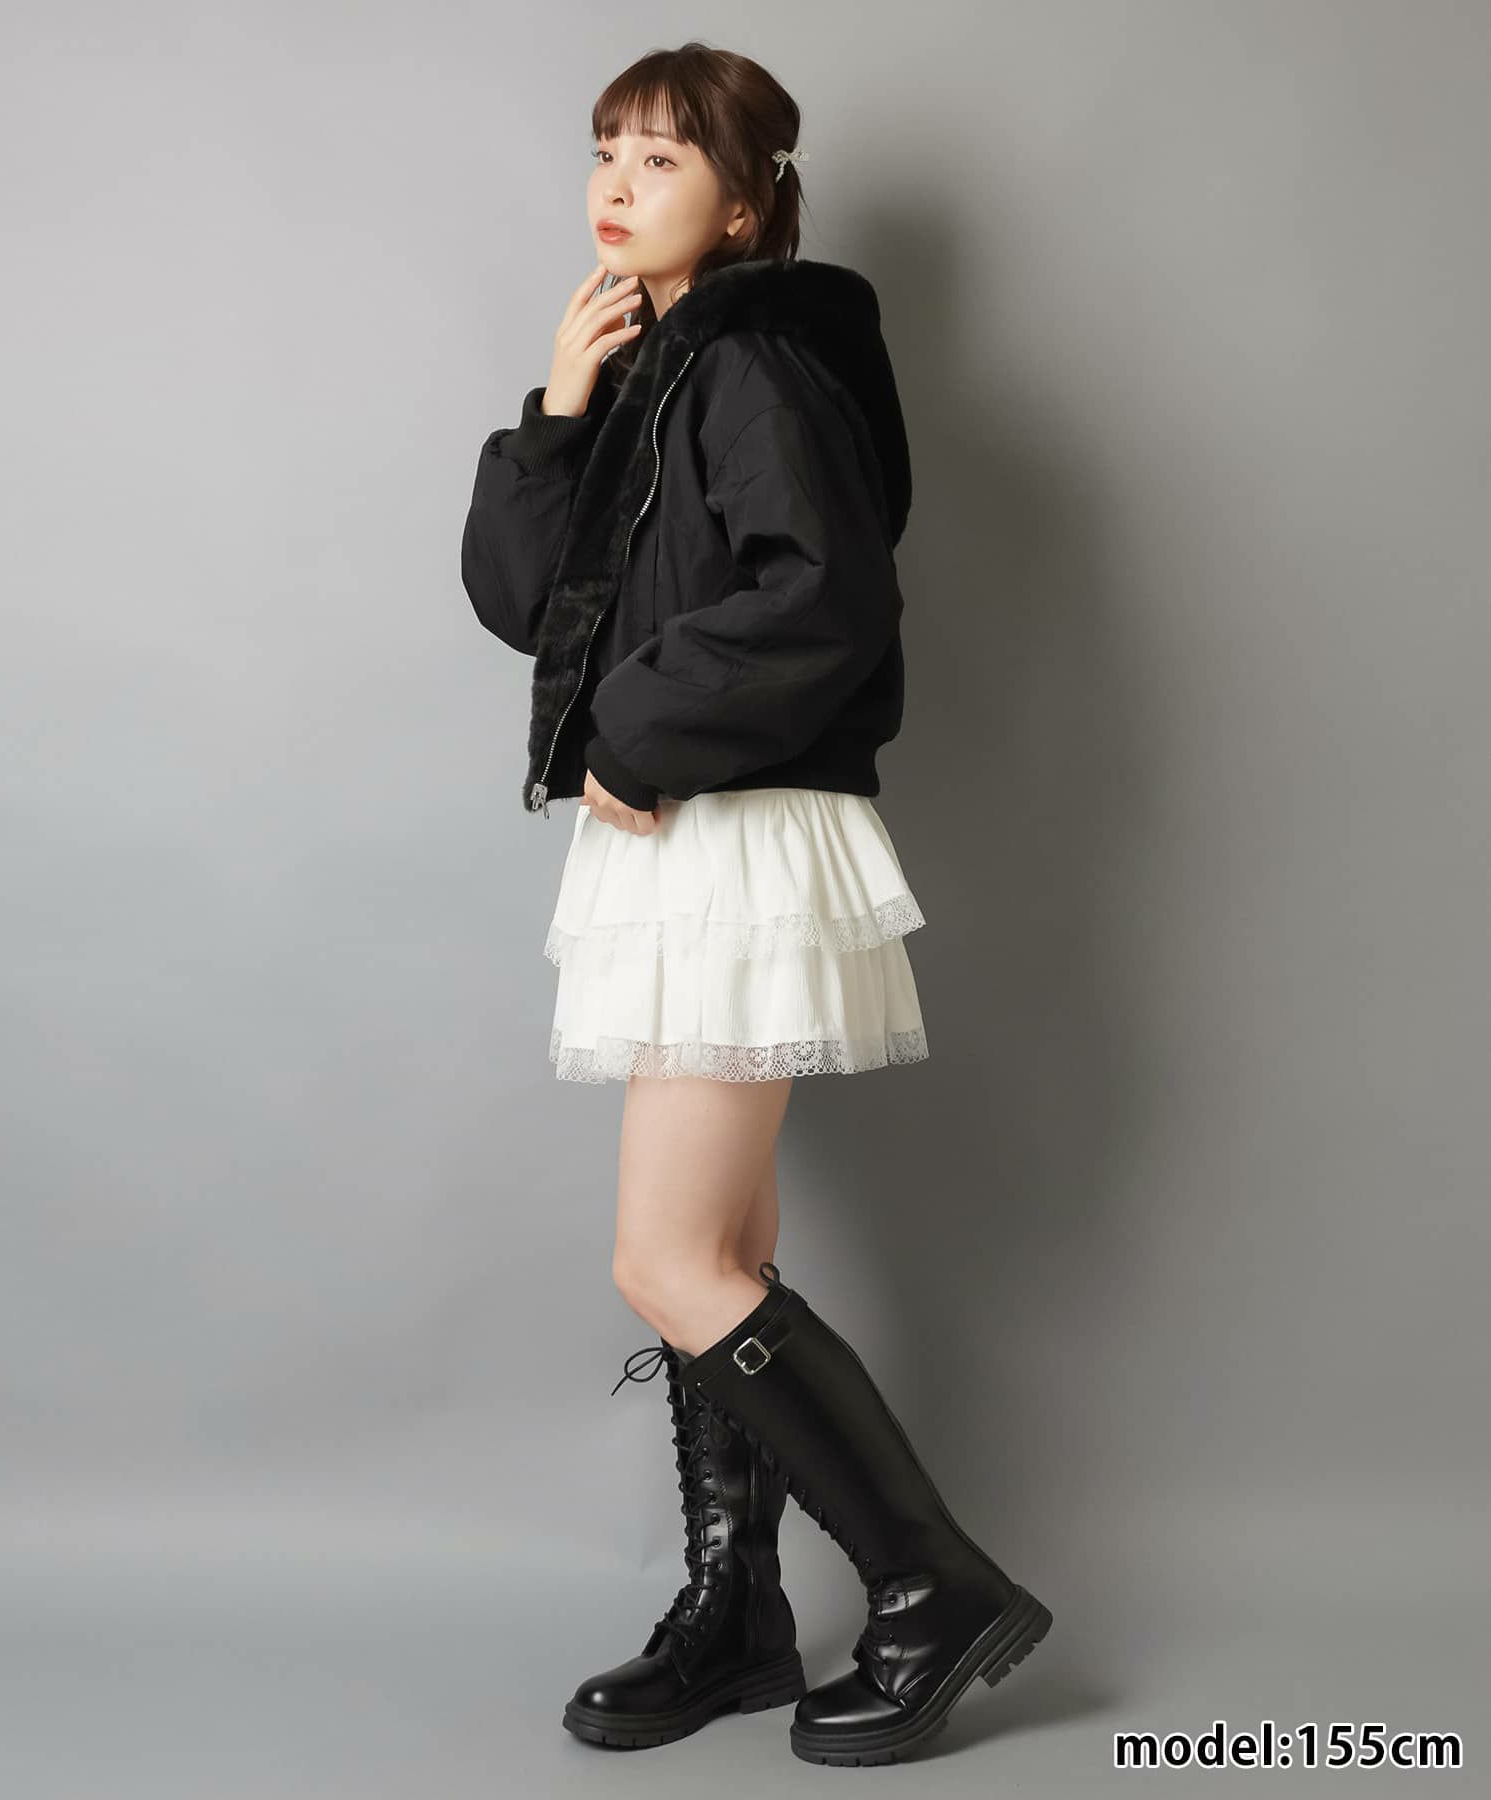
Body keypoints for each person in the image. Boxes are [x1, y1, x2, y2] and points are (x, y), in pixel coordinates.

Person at [460, 41, 1051, 1768]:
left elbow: (827, 598)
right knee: (719, 1258)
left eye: (662, 158)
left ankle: (934, 1585)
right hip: (683, 826)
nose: (618, 183)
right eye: (607, 150)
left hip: (731, 825)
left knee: (668, 1259)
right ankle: (737, 1616)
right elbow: (529, 606)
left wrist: (635, 737)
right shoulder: (656, 365)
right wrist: (559, 407)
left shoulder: (758, 357)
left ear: (745, 202)